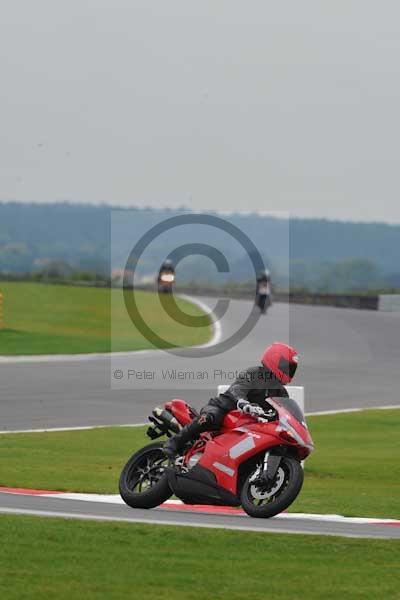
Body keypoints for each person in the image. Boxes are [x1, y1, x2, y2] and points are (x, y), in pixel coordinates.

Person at [163, 342, 299, 458]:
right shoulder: (254, 374)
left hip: (248, 424)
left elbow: (284, 415)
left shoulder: (281, 393)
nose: (289, 371)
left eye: (291, 368)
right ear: (275, 361)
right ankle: (174, 443)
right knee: (209, 418)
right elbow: (238, 388)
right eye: (287, 366)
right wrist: (243, 402)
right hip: (223, 408)